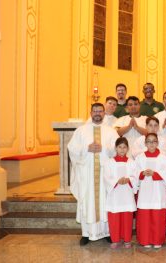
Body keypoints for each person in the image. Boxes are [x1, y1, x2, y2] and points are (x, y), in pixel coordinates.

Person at [68, 103, 119, 246]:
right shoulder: (81, 131)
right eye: (95, 111)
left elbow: (119, 149)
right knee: (87, 200)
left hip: (104, 174)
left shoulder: (111, 131)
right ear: (90, 113)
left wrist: (105, 149)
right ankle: (86, 233)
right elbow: (71, 148)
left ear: (104, 113)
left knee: (105, 201)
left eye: (100, 111)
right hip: (87, 174)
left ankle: (107, 232)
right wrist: (86, 148)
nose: (97, 113)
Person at [134, 133, 166, 249]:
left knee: (157, 217)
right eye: (149, 141)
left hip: (157, 191)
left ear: (157, 143)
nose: (151, 144)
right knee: (145, 218)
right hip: (145, 190)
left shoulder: (164, 158)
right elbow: (134, 173)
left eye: (154, 141)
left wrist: (155, 174)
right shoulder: (140, 158)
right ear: (145, 143)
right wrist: (142, 173)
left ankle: (157, 240)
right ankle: (145, 240)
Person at [104, 137, 137, 249]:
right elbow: (107, 177)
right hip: (115, 194)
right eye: (120, 147)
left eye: (124, 147)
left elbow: (135, 176)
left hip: (127, 193)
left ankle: (127, 239)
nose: (122, 150)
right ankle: (115, 239)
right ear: (116, 148)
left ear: (127, 149)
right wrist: (116, 181)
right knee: (114, 216)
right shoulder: (109, 162)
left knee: (127, 216)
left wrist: (129, 179)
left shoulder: (132, 162)